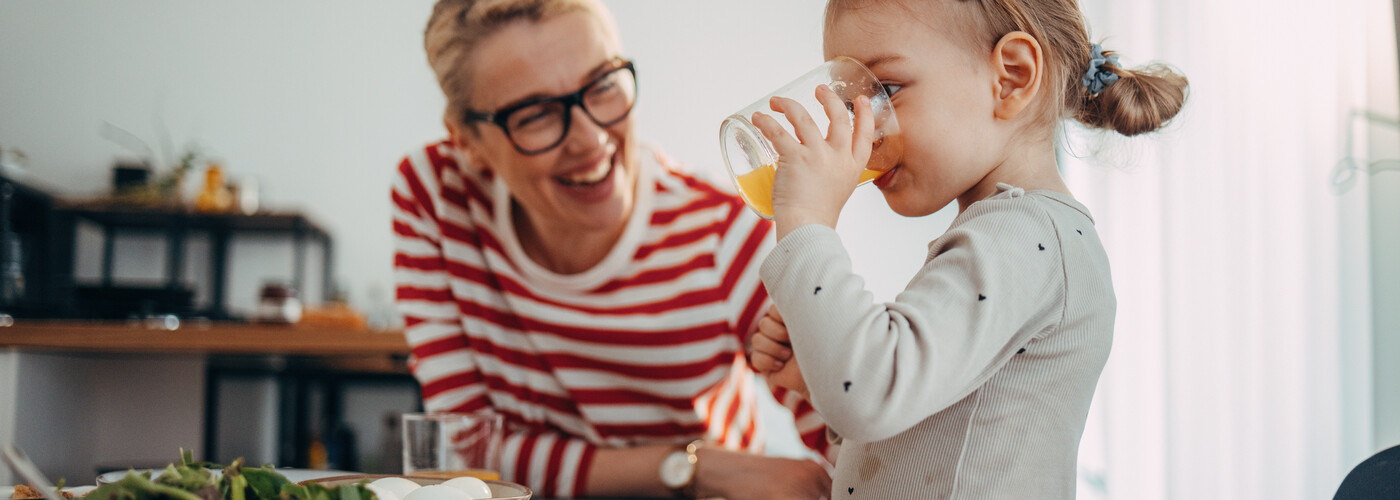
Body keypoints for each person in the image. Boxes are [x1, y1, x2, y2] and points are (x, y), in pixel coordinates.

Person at [391, 0, 833, 498]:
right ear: (466, 141)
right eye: (535, 114)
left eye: (602, 84)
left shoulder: (720, 236)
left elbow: (854, 427)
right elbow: (464, 454)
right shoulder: (435, 194)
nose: (590, 137)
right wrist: (693, 466)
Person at [746, 0, 1188, 497]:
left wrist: (806, 222)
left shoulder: (1027, 237)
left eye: (886, 91)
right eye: (851, 105)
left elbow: (871, 392)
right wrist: (825, 370)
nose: (863, 132)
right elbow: (925, 447)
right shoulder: (1011, 235)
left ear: (1012, 78)